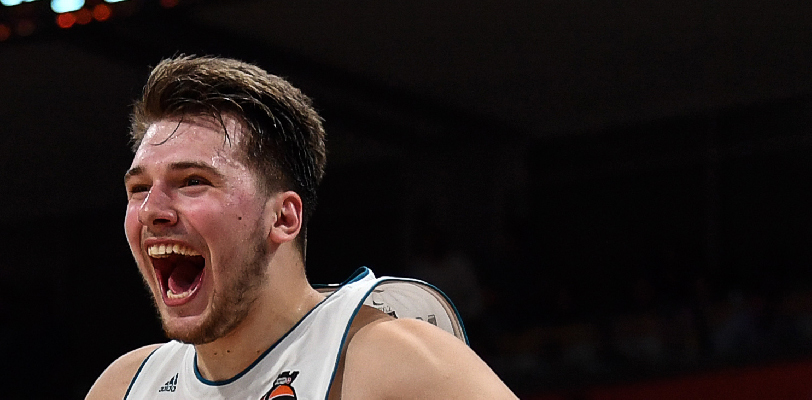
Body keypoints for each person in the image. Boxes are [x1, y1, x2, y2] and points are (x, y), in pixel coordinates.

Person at [86, 55, 518, 400]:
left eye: (192, 181)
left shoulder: (390, 362)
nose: (151, 210)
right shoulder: (123, 387)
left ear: (283, 218)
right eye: (139, 188)